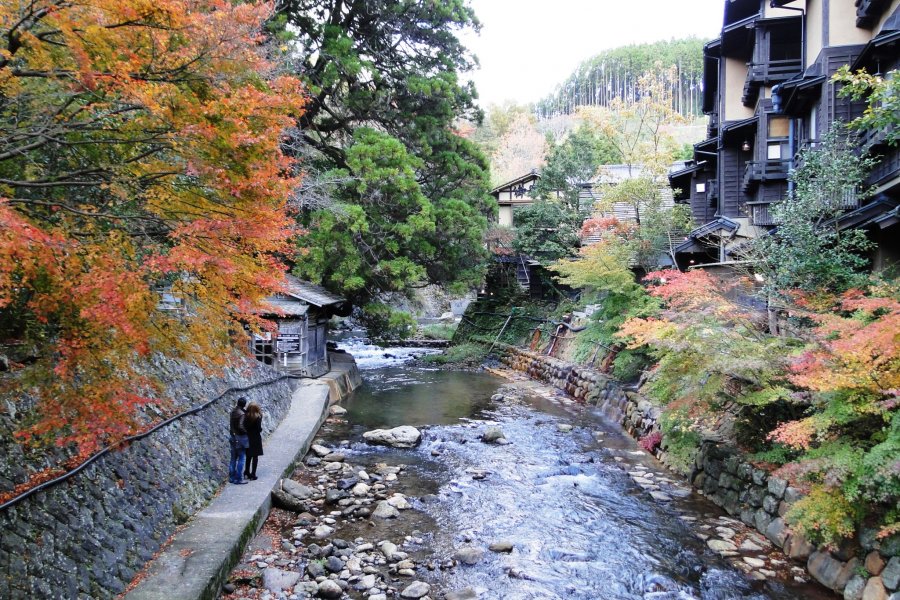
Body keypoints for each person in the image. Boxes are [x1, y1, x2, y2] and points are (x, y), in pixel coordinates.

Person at [229, 397, 249, 484]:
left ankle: (232, 477)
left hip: (232, 436)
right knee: (242, 458)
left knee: (233, 458)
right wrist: (247, 432)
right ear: (244, 404)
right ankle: (239, 478)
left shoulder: (233, 411)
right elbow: (241, 426)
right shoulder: (242, 414)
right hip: (240, 438)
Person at [243, 402, 264, 481]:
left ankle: (246, 471)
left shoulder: (245, 416)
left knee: (248, 456)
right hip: (255, 438)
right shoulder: (258, 417)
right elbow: (259, 429)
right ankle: (253, 474)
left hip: (247, 437)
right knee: (255, 456)